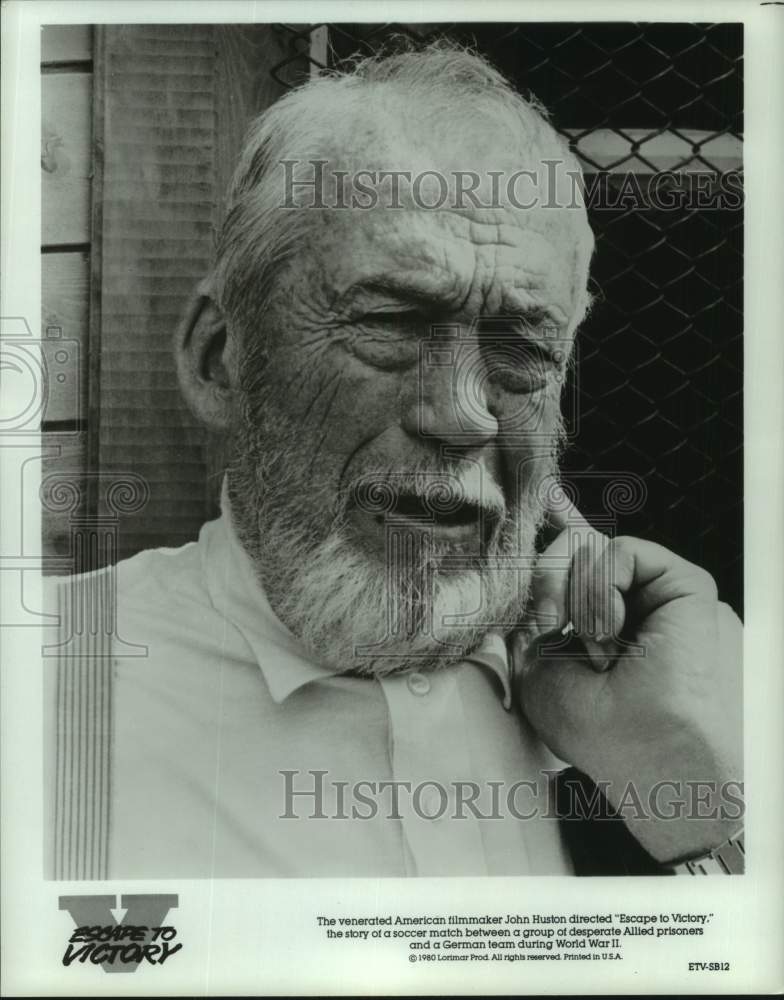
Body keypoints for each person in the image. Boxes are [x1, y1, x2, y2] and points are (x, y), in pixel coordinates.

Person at [43, 41, 743, 880]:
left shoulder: (633, 699)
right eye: (392, 324)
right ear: (219, 359)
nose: (459, 414)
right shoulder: (45, 690)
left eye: (519, 347)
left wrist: (699, 803)